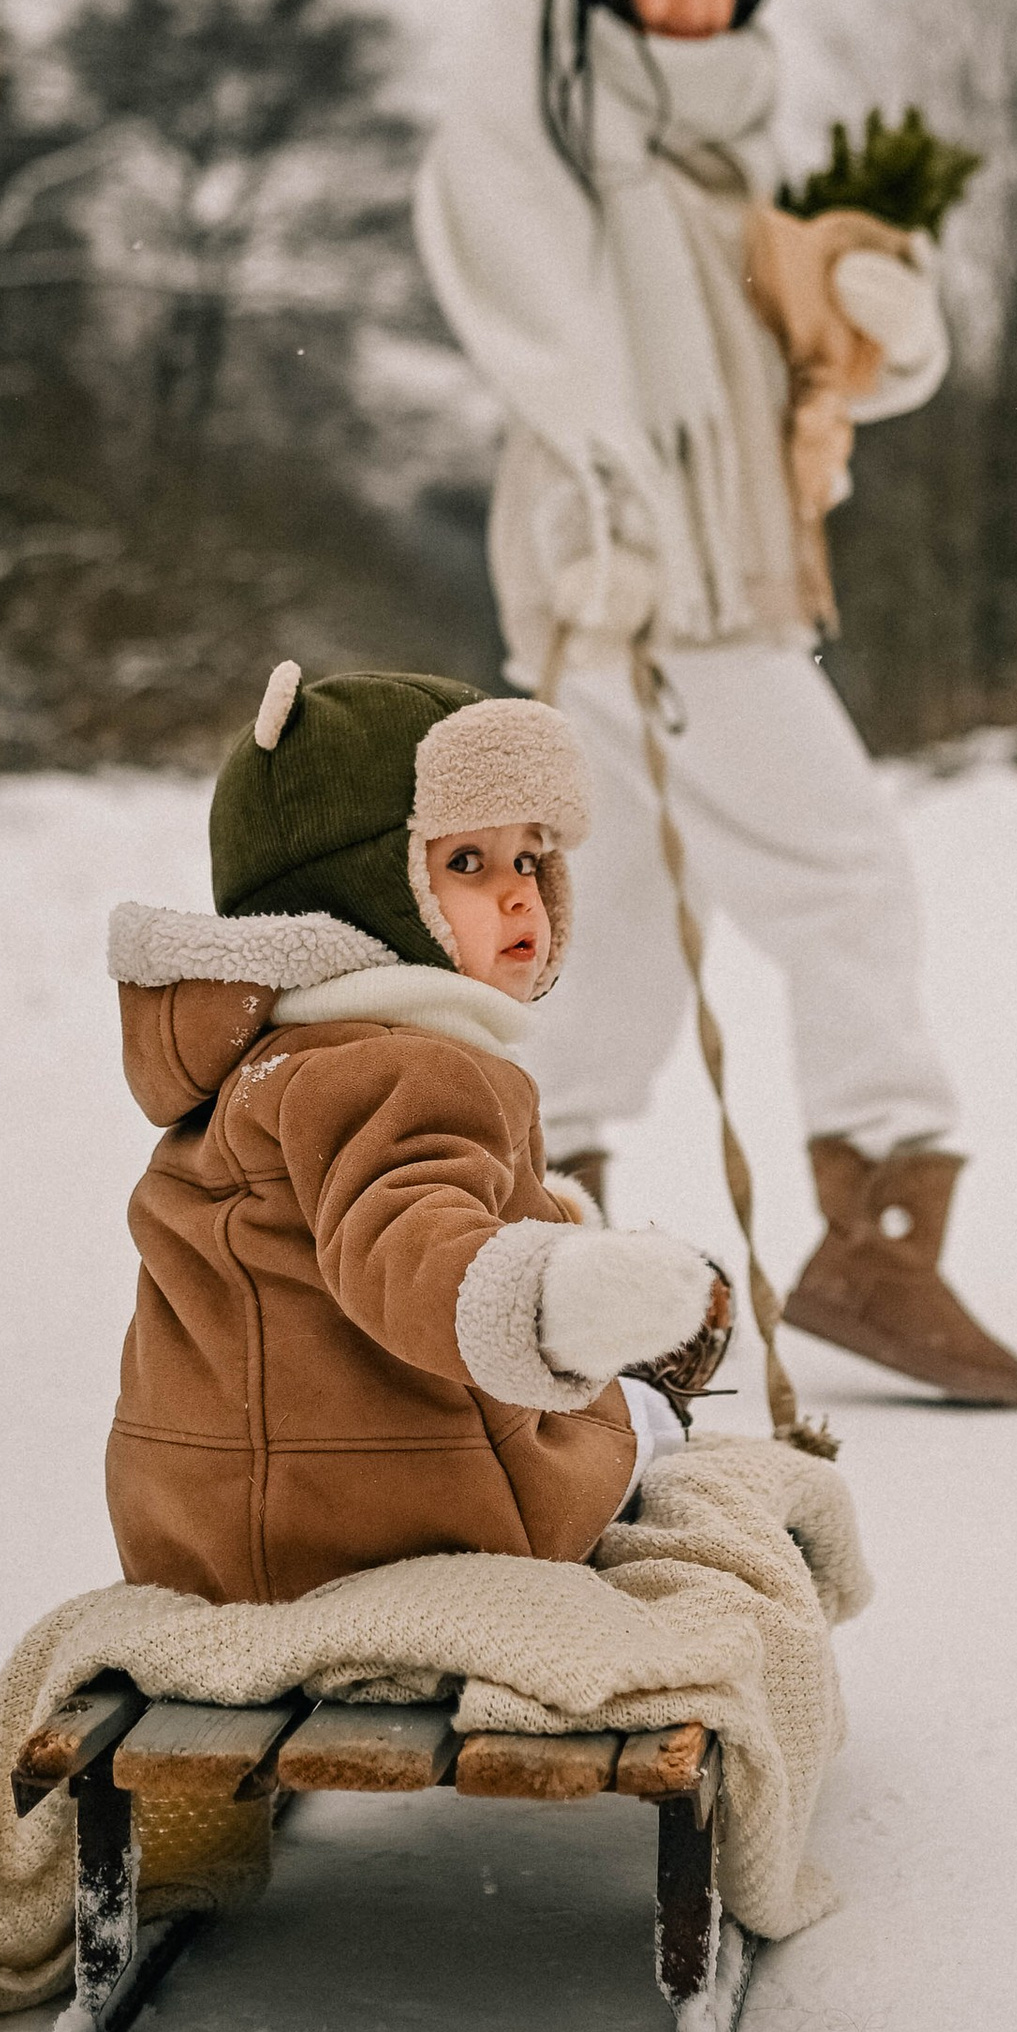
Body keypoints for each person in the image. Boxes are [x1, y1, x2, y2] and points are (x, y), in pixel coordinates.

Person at [414, 0, 1017, 1408]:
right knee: (844, 875)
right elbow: (530, 299)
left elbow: (807, 351)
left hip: (706, 572)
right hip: (642, 583)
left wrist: (882, 314)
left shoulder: (723, 164)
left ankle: (543, 1242)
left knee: (617, 913)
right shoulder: (555, 131)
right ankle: (879, 1225)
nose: (692, 5)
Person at [103, 662, 732, 1604]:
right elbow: (404, 1237)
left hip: (194, 1526)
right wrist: (560, 1299)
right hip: (400, 1513)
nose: (520, 896)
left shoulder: (261, 1066)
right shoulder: (405, 1065)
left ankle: (609, 1336)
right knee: (619, 1430)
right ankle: (651, 1399)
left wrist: (541, 1220)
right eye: (467, 862)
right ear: (360, 883)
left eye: (530, 859)